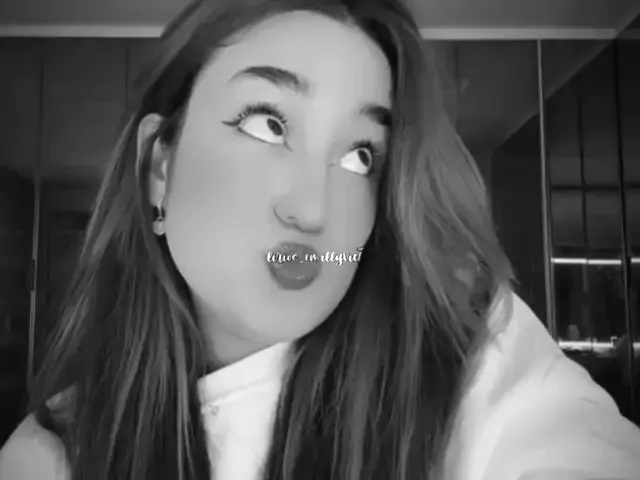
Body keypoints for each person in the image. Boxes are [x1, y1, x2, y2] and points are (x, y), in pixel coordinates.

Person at [1, 0, 640, 479]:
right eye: (267, 124)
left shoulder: (463, 352)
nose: (313, 211)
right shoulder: (55, 453)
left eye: (361, 156)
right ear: (159, 169)